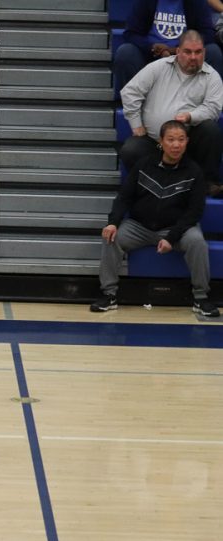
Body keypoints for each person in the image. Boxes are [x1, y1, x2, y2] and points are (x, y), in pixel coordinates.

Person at [91, 119, 219, 318]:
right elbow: (124, 197)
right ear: (161, 141)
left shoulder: (194, 172)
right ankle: (109, 295)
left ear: (187, 142)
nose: (176, 145)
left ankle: (201, 298)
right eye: (171, 140)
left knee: (197, 242)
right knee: (111, 236)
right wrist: (113, 222)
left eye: (181, 140)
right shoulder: (144, 165)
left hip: (175, 229)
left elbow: (193, 213)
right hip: (139, 227)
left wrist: (171, 238)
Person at [120, 29, 223, 196]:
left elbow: (213, 108)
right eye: (188, 52)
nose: (193, 57)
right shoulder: (158, 67)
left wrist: (191, 116)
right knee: (130, 149)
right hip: (155, 142)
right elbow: (130, 93)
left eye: (198, 52)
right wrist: (136, 125)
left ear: (204, 52)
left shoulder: (212, 77)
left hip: (188, 144)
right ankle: (149, 185)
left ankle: (207, 182)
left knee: (211, 130)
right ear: (178, 51)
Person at [114, 0, 223, 94]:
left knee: (213, 52)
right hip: (151, 56)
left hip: (186, 57)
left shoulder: (197, 2)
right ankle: (136, 104)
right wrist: (152, 47)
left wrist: (178, 50)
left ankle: (202, 105)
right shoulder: (146, 1)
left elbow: (208, 33)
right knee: (126, 52)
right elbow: (131, 33)